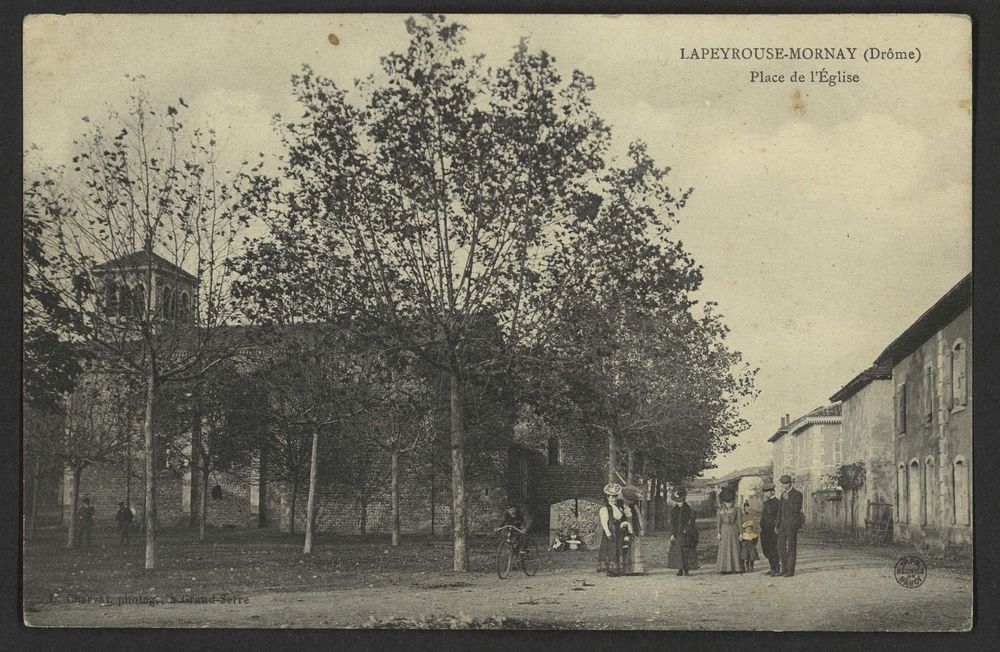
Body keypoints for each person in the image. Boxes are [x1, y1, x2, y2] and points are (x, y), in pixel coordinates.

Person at [774, 474, 804, 577]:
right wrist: (776, 524)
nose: (785, 486)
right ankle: (784, 569)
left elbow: (797, 508)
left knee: (791, 546)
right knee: (780, 546)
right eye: (783, 484)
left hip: (792, 525)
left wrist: (788, 499)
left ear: (790, 483)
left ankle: (790, 570)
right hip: (782, 525)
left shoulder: (797, 494)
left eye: (786, 484)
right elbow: (779, 510)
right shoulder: (783, 494)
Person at [667, 487, 699, 576]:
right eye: (678, 502)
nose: (679, 503)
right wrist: (672, 534)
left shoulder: (689, 510)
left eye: (681, 501)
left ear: (684, 500)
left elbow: (692, 522)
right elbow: (672, 523)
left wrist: (687, 529)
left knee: (687, 551)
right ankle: (680, 569)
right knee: (678, 551)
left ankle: (687, 569)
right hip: (677, 534)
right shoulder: (673, 511)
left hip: (687, 534)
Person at [597, 483, 625, 577]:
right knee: (610, 550)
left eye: (614, 497)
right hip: (611, 531)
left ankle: (617, 569)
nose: (613, 499)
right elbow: (604, 522)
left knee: (618, 549)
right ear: (607, 498)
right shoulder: (605, 509)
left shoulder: (619, 508)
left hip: (618, 531)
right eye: (611, 497)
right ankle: (610, 570)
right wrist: (608, 533)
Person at [620, 486, 646, 575]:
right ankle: (626, 570)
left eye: (631, 500)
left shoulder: (634, 506)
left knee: (636, 548)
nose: (630, 502)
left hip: (635, 529)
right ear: (625, 499)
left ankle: (637, 569)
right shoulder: (620, 506)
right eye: (628, 500)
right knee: (626, 549)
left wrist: (641, 528)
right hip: (624, 531)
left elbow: (639, 517)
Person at [716, 487, 741, 574]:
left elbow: (739, 521)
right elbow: (718, 522)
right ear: (724, 502)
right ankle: (724, 568)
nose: (729, 504)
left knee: (734, 548)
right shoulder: (720, 510)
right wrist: (718, 532)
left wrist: (741, 533)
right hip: (724, 531)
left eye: (730, 502)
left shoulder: (737, 510)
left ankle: (736, 568)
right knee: (724, 549)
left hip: (734, 531)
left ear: (733, 501)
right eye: (727, 502)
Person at [758, 483, 781, 575]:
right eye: (765, 492)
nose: (765, 493)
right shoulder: (765, 503)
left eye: (767, 491)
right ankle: (772, 567)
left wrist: (777, 527)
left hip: (772, 529)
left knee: (773, 548)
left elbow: (779, 517)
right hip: (765, 529)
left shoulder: (778, 503)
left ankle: (776, 567)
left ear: (772, 491)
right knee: (766, 549)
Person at [738, 499, 760, 572]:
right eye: (745, 507)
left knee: (752, 556)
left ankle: (752, 567)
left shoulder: (752, 515)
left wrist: (755, 539)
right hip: (745, 538)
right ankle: (746, 567)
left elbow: (755, 525)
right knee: (746, 556)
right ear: (744, 508)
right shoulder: (742, 516)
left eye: (748, 507)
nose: (747, 509)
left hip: (751, 537)